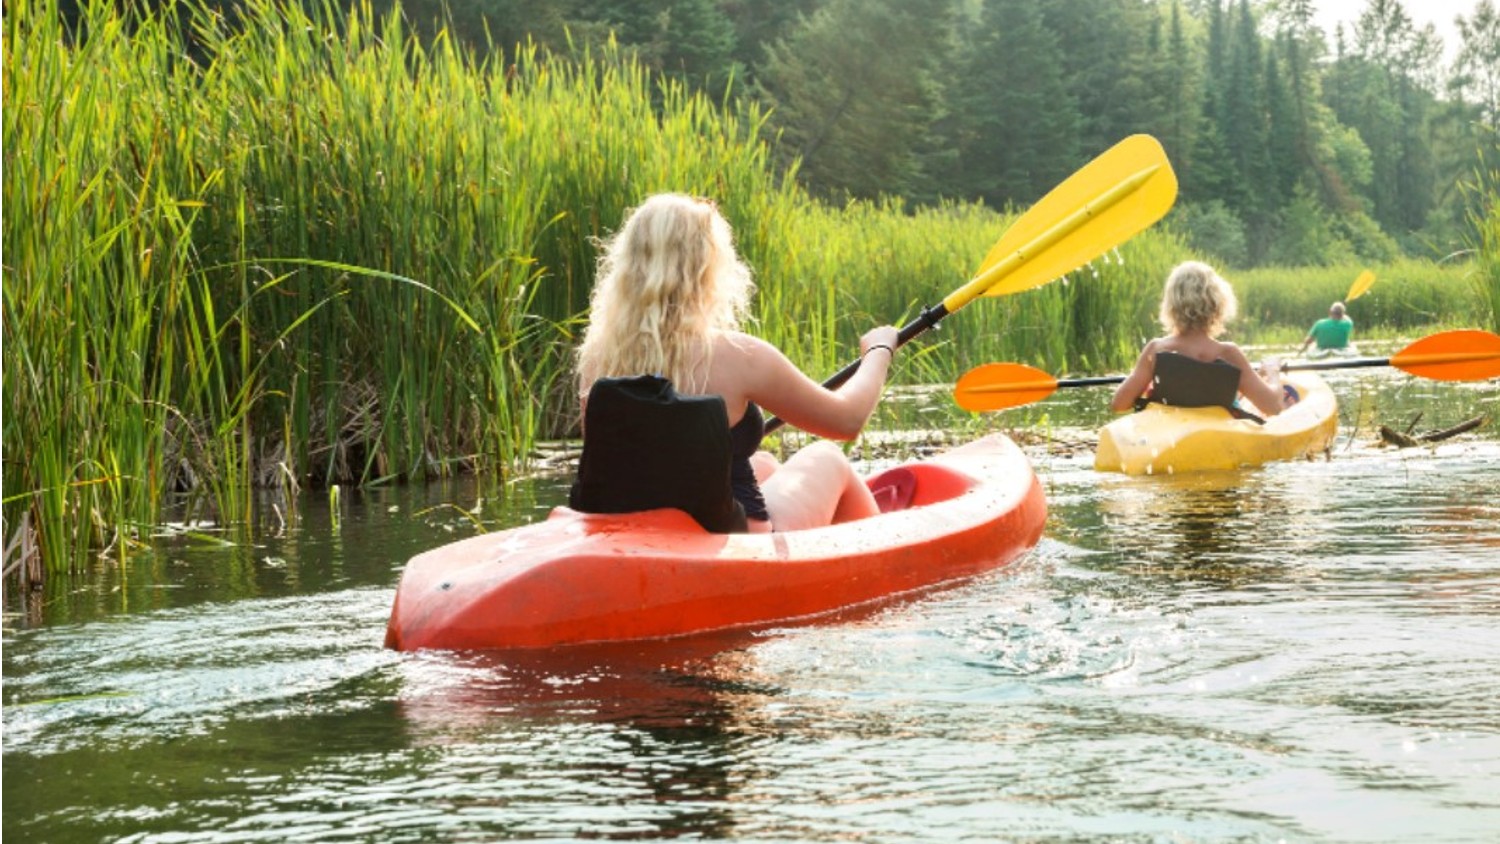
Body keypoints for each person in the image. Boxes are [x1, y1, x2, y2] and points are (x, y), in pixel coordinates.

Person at [573, 193, 898, 534]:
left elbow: (651, 468)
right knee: (828, 458)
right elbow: (847, 420)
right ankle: (888, 560)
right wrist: (878, 352)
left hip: (635, 533)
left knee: (765, 464)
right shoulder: (738, 356)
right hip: (734, 541)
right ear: (706, 268)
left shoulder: (598, 360)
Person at [1110, 261, 1294, 419]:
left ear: (1171, 305)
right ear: (1217, 304)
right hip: (1218, 441)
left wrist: (1147, 382)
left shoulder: (1157, 350)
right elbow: (1273, 407)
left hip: (1170, 440)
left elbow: (1119, 404)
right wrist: (1273, 372)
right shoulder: (1228, 354)